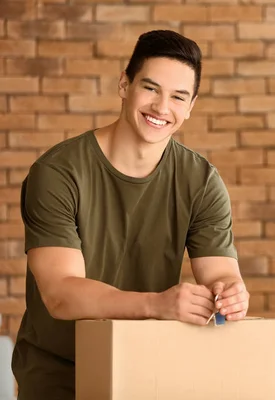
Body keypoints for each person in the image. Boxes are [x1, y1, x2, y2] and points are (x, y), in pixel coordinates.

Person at [11, 30, 250, 400]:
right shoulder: (58, 173)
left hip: (146, 370)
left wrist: (230, 294)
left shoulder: (202, 182)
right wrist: (156, 305)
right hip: (59, 377)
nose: (161, 107)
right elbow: (60, 294)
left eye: (178, 97)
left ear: (191, 106)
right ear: (124, 84)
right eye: (151, 89)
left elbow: (221, 272)